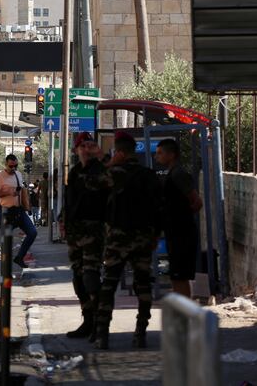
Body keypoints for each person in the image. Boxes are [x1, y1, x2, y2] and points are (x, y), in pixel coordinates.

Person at [94, 132, 163, 350]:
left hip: (117, 239)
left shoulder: (114, 173)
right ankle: (140, 333)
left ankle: (102, 335)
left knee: (109, 285)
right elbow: (159, 208)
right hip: (142, 238)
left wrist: (108, 163)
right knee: (144, 286)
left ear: (120, 153)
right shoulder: (148, 175)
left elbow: (94, 185)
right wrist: (155, 235)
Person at [63, 132, 110, 340]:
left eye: (90, 145)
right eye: (83, 146)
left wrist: (101, 156)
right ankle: (88, 319)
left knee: (91, 276)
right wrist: (63, 220)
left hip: (93, 230)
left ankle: (101, 324)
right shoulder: (74, 172)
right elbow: (70, 200)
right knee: (78, 278)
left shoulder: (101, 168)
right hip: (75, 231)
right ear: (76, 150)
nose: (86, 149)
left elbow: (114, 178)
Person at [155, 138, 202, 298]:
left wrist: (180, 216)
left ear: (172, 154)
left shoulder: (178, 174)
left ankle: (184, 312)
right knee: (177, 275)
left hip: (182, 233)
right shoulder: (172, 173)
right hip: (175, 233)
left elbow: (197, 201)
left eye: (160, 153)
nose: (157, 157)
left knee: (180, 275)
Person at [0, 154, 35, 268]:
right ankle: (5, 268)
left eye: (16, 166)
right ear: (6, 164)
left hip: (19, 210)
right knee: (6, 240)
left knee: (32, 232)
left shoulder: (18, 175)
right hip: (6, 211)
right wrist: (8, 192)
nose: (14, 168)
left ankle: (19, 257)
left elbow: (22, 190)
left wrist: (27, 205)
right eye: (11, 166)